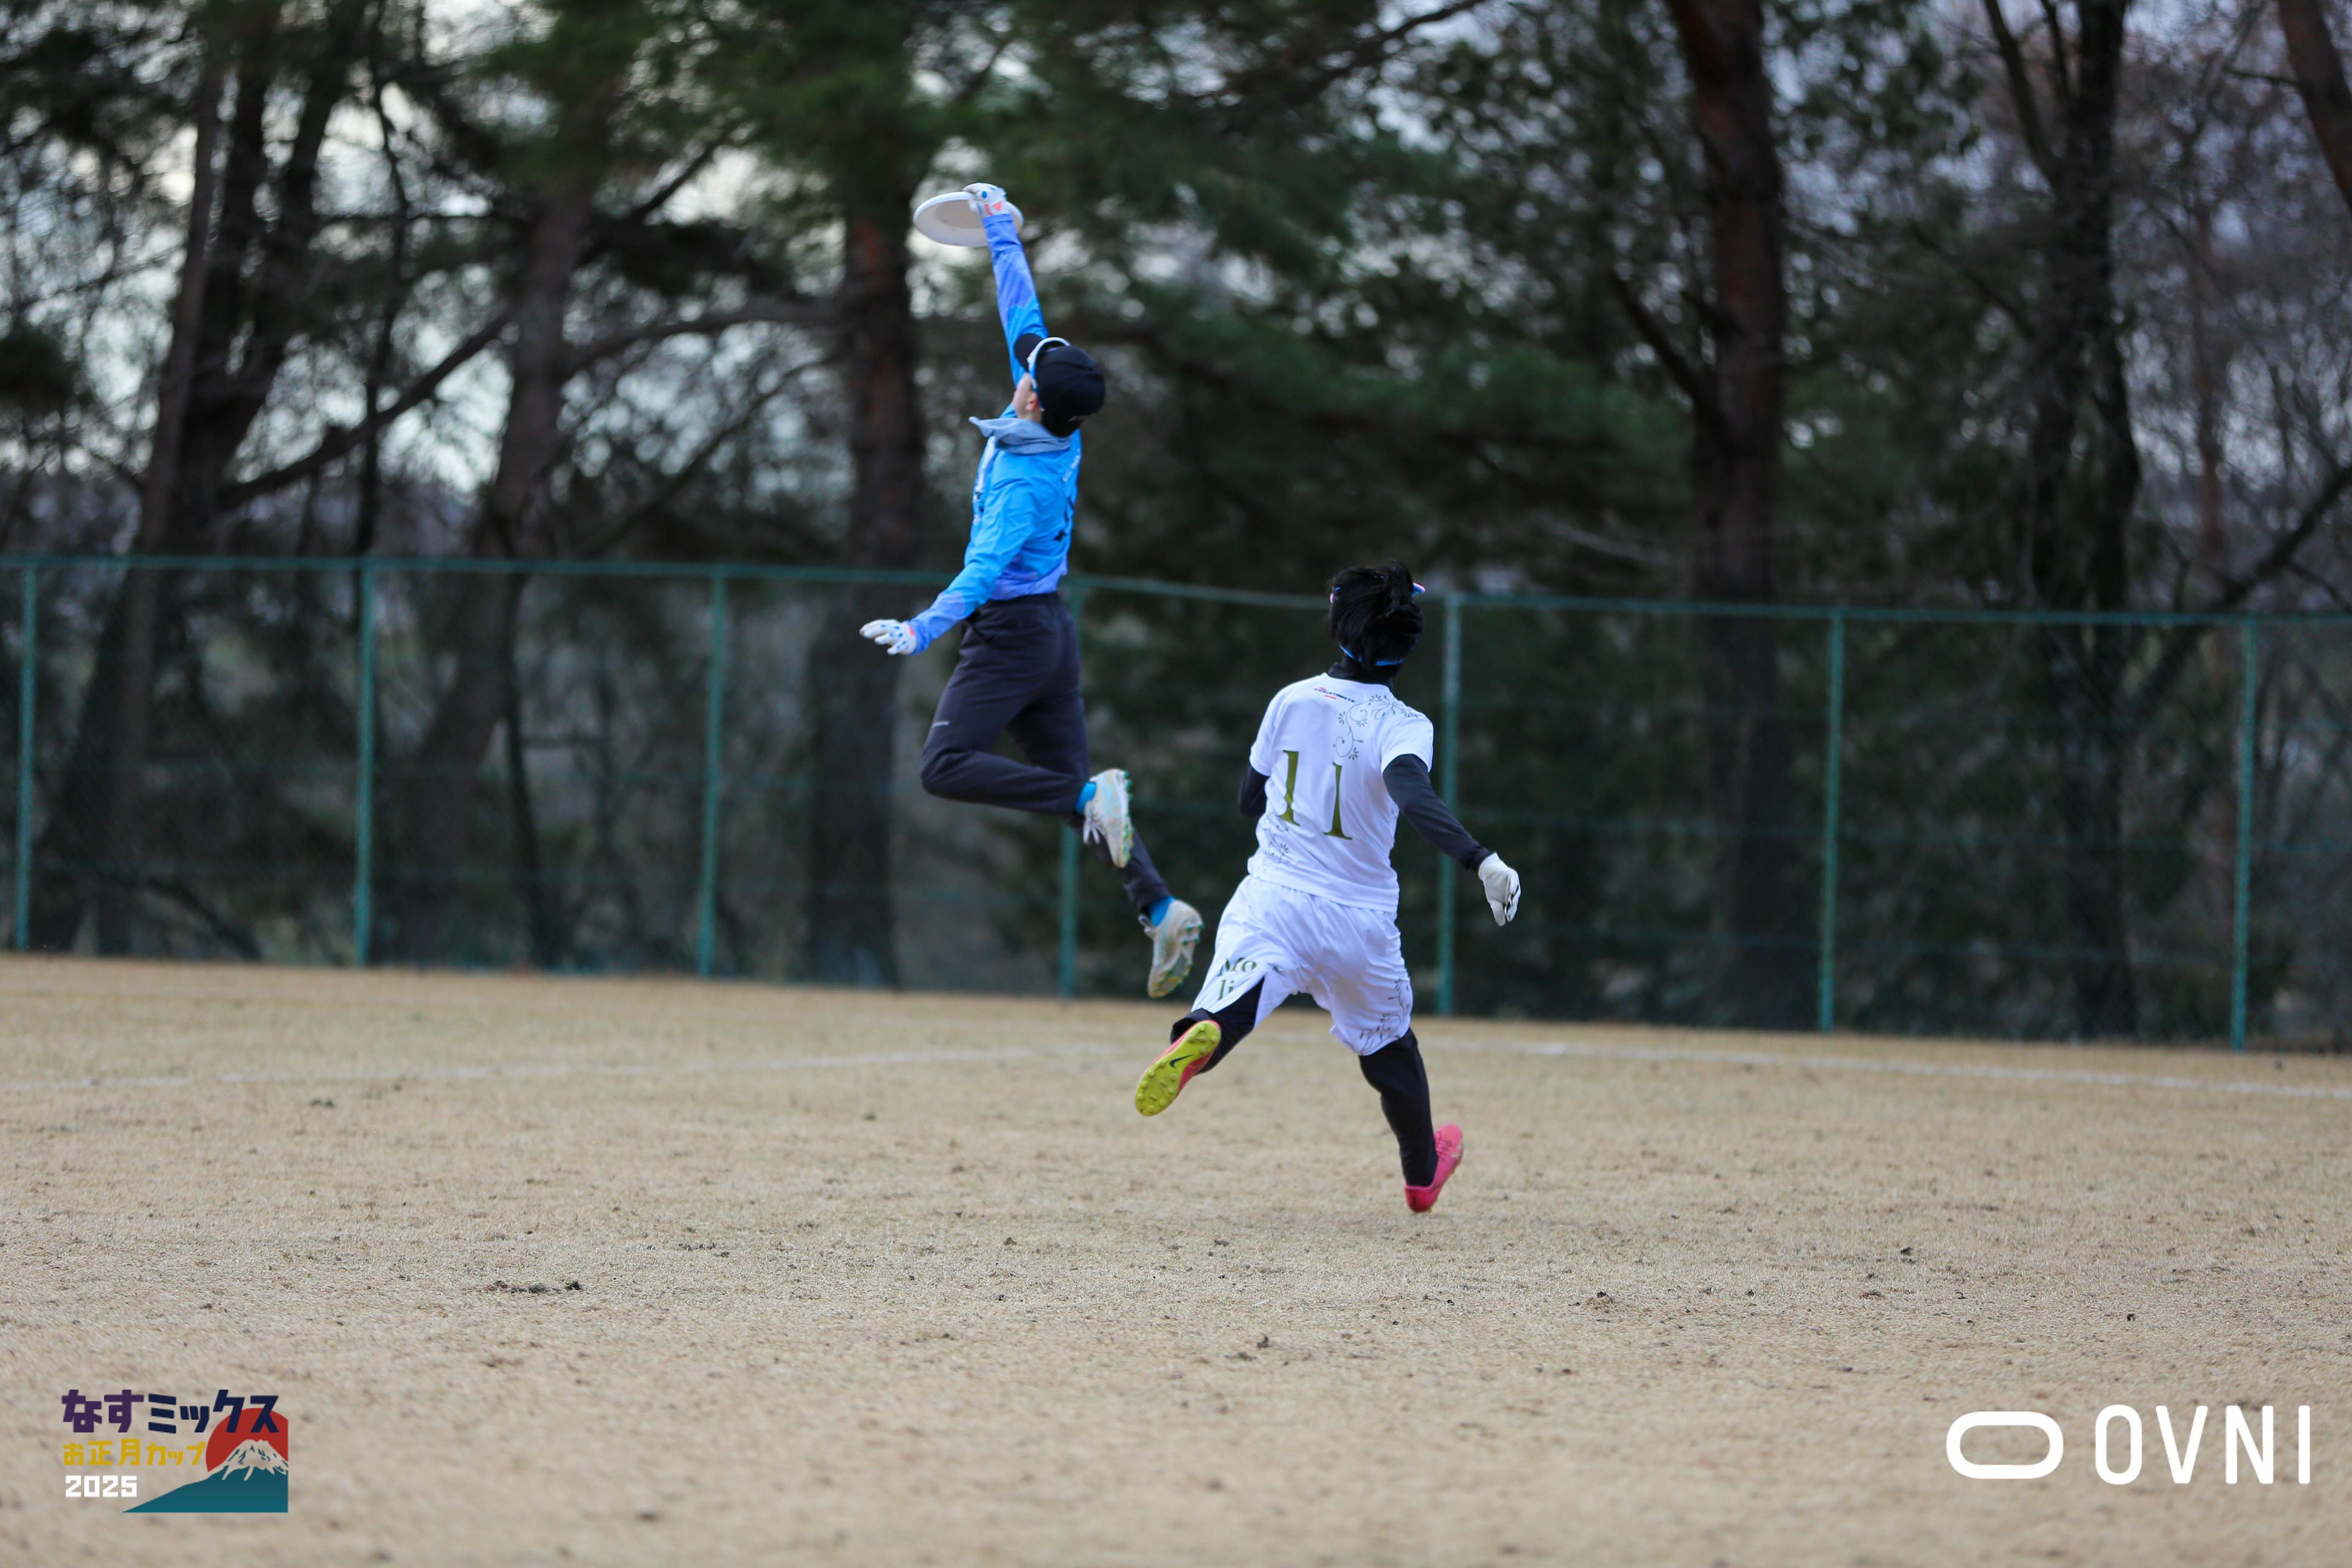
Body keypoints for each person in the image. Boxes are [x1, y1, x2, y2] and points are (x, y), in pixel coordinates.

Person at [858, 183, 1202, 998]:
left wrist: (921, 628)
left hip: (1012, 637)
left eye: (1031, 369)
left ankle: (1092, 796)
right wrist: (998, 231)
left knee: (946, 767)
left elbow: (982, 573)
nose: (1024, 362)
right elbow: (1022, 315)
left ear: (1034, 396)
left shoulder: (1022, 480)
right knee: (1080, 803)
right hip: (1050, 634)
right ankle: (1160, 908)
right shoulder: (1053, 418)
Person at [1130, 562, 1522, 1213]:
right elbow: (1413, 795)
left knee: (1231, 1004)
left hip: (1273, 897)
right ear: (1405, 646)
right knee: (1390, 1047)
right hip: (1359, 922)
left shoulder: (1291, 700)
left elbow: (1249, 800)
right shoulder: (1405, 724)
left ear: (1338, 627)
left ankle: (1202, 1032)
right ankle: (1422, 1172)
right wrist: (1480, 860)